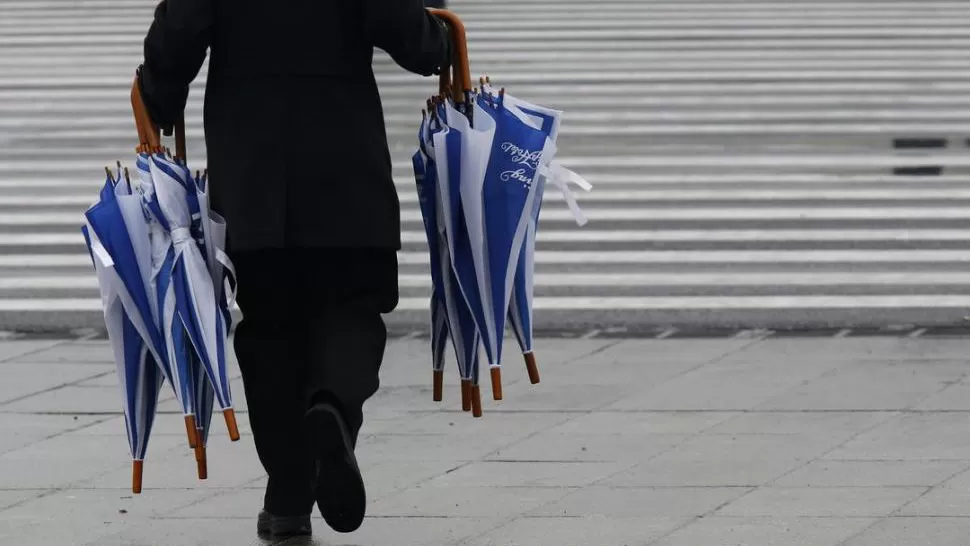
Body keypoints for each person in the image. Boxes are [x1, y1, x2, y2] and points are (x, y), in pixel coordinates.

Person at [137, 0, 452, 538]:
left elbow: (181, 29)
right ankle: (332, 408)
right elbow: (416, 42)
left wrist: (159, 97)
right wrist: (439, 38)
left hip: (251, 169)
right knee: (353, 308)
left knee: (268, 330)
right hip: (345, 167)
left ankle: (288, 493)